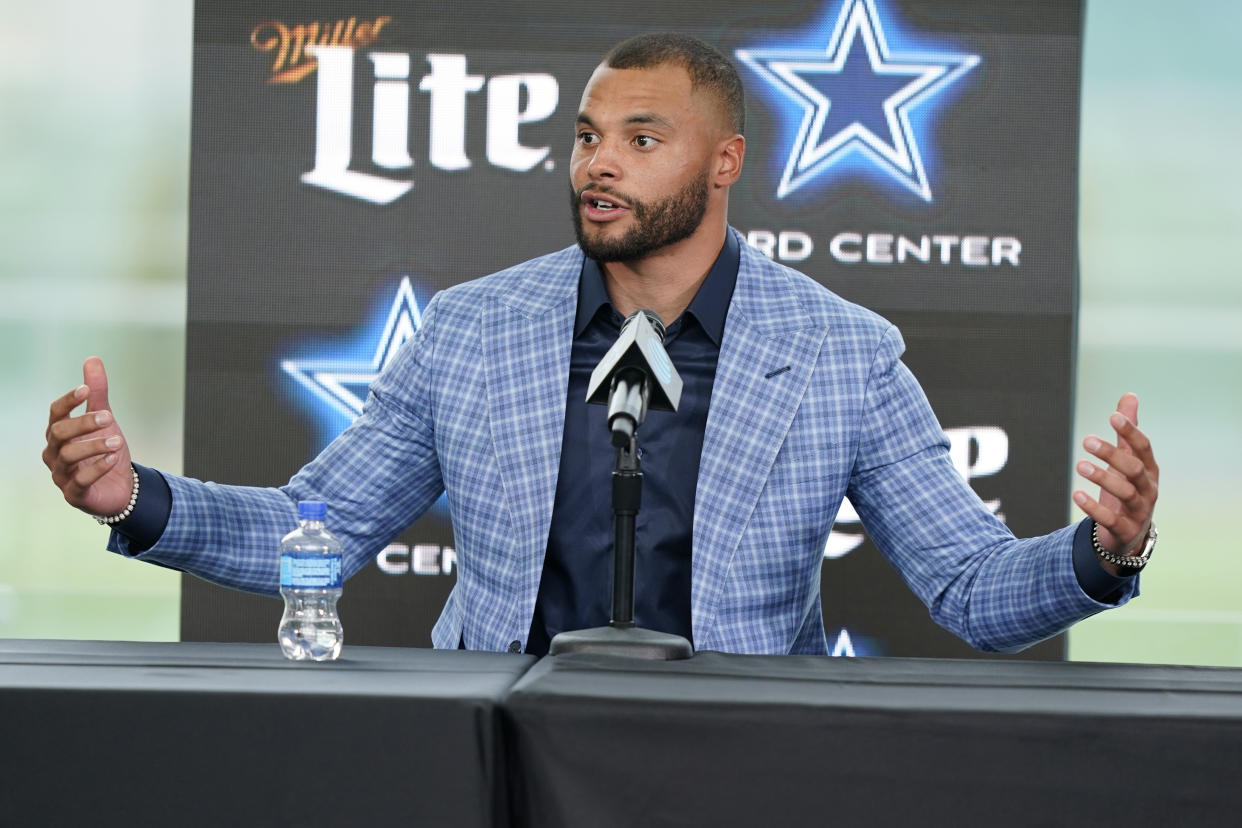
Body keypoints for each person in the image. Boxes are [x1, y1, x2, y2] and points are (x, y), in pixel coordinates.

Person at [42, 33, 1158, 656]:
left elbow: (970, 587)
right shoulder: (475, 333)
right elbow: (311, 535)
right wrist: (132, 498)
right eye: (585, 137)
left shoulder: (838, 352)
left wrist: (1102, 555)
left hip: (744, 776)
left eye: (640, 137)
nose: (597, 165)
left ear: (724, 165)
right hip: (499, 759)